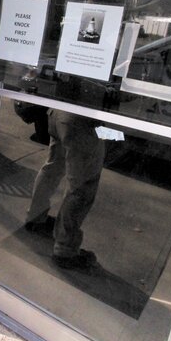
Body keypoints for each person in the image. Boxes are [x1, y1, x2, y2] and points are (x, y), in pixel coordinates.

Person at [24, 108, 104, 270]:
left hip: (58, 113)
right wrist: (114, 135)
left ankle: (35, 217)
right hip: (83, 120)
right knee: (81, 186)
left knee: (52, 168)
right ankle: (65, 250)